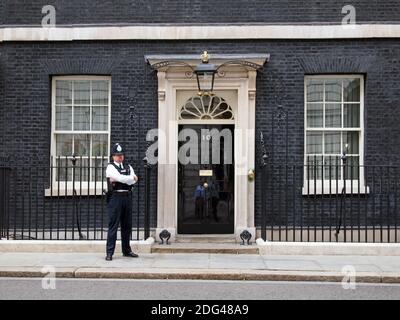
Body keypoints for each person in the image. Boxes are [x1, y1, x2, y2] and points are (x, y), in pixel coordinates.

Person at [105, 143, 138, 261]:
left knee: (127, 226)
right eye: (117, 155)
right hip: (116, 197)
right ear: (113, 156)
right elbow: (123, 178)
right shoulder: (110, 167)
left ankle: (126, 250)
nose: (120, 157)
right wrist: (129, 178)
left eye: (121, 155)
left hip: (127, 197)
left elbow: (133, 181)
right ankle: (109, 253)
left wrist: (128, 179)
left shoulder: (128, 166)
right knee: (113, 225)